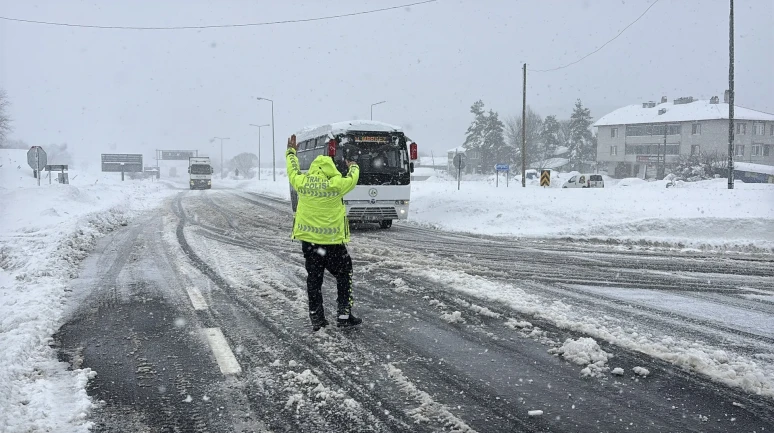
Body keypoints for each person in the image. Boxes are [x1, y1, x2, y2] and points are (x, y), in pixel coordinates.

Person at [286, 134, 362, 331]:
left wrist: (291, 152)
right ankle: (344, 314)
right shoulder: (336, 185)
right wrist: (352, 163)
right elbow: (353, 178)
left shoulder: (302, 183)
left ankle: (317, 317)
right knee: (344, 273)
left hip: (310, 243)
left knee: (314, 278)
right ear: (331, 169)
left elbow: (292, 170)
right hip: (333, 242)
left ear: (313, 169)